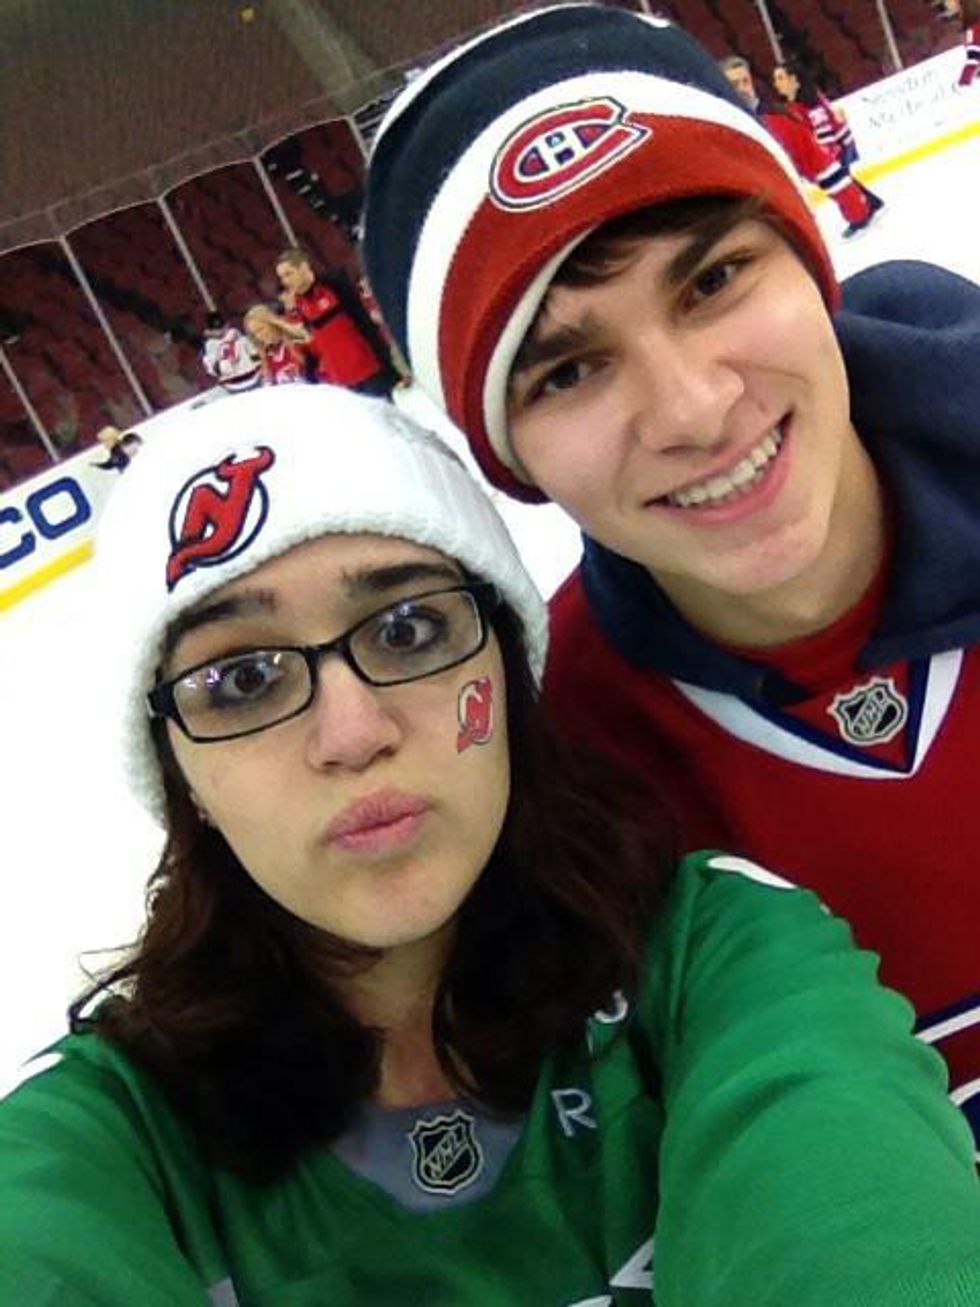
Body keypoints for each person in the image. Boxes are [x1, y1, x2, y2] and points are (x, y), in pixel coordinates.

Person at [3, 383, 980, 1304]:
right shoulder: (107, 1143)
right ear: (180, 774)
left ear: (508, 670)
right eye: (242, 681)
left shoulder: (719, 956)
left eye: (408, 628)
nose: (354, 732)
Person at [362, 2, 980, 1148]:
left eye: (712, 281)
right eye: (567, 371)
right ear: (510, 456)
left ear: (808, 264)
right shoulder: (556, 790)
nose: (692, 410)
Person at [720, 54, 875, 237]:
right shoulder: (725, 122)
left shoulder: (776, 118)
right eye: (734, 84)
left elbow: (820, 166)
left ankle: (862, 210)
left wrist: (857, 213)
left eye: (745, 81)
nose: (742, 88)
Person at [275, 246, 399, 396]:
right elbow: (314, 343)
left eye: (288, 274)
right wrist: (310, 376)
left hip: (369, 370)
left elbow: (364, 323)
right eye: (282, 277)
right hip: (343, 381)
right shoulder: (299, 304)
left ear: (304, 267)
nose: (285, 281)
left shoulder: (334, 285)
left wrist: (387, 365)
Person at [772, 60, 884, 215]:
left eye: (780, 78)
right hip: (833, 145)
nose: (776, 83)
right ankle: (871, 203)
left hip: (837, 145)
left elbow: (824, 130)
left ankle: (864, 209)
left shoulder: (808, 101)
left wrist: (826, 156)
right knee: (842, 180)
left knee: (839, 181)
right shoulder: (795, 103)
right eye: (775, 79)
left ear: (793, 79)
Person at [243, 301, 310, 385]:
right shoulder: (268, 355)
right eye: (255, 334)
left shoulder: (297, 343)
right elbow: (269, 384)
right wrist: (264, 360)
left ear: (271, 323)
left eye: (260, 329)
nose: (259, 336)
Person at [199, 310, 262, 394]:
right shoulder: (242, 339)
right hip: (253, 379)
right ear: (227, 324)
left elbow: (213, 372)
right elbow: (257, 357)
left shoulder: (209, 347)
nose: (219, 331)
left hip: (232, 385)